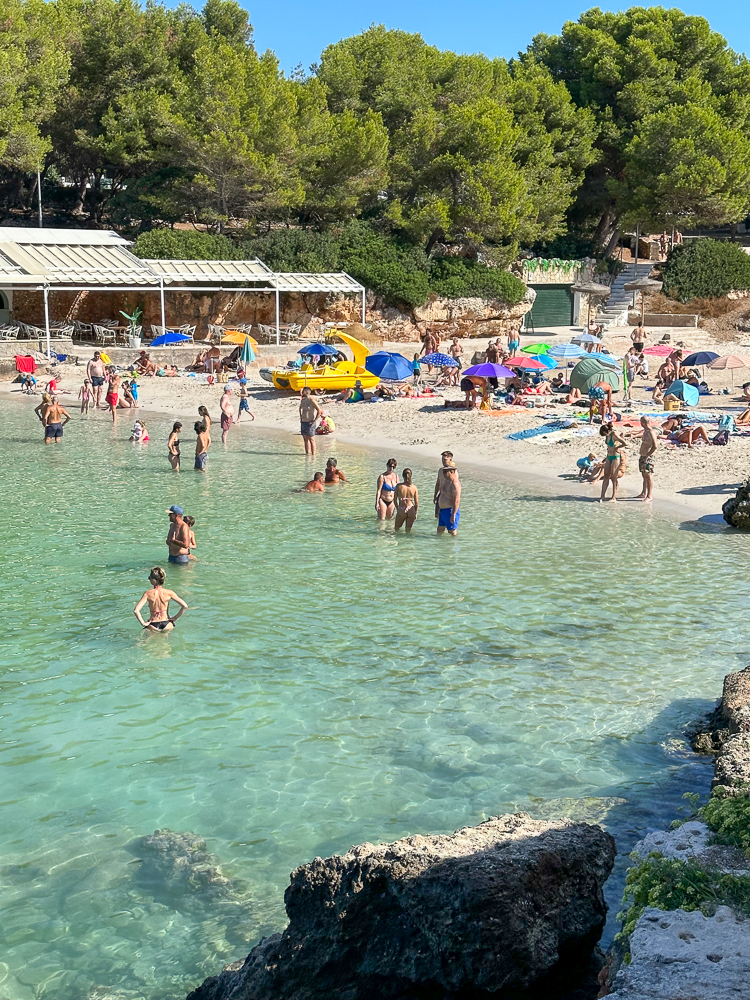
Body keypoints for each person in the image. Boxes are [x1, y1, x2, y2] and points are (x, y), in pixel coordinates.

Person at [133, 566, 188, 632]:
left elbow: (136, 611)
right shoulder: (169, 592)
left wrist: (144, 623)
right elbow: (185, 606)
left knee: (147, 641)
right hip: (167, 623)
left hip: (153, 624)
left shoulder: (148, 593)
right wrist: (175, 618)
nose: (149, 579)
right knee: (166, 642)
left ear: (153, 580)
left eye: (149, 578)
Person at [599, 422, 626, 501]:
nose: (604, 436)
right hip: (609, 456)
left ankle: (613, 497)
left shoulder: (614, 434)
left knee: (613, 478)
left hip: (615, 457)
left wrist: (617, 447)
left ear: (607, 431)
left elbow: (625, 443)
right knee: (606, 476)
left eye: (604, 434)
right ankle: (602, 496)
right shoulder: (607, 435)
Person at [634, 415, 657, 501]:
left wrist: (648, 455)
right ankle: (643, 493)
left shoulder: (651, 432)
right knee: (644, 475)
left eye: (641, 422)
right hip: (643, 456)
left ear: (643, 422)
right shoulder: (645, 431)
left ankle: (649, 495)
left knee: (648, 475)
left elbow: (655, 446)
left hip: (648, 457)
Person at [437, 466, 461, 535]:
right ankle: (440, 544)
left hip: (450, 510)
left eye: (445, 472)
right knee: (440, 530)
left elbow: (457, 499)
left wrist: (453, 514)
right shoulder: (447, 482)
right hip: (443, 510)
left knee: (452, 531)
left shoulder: (455, 483)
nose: (443, 474)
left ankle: (454, 544)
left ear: (451, 472)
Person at [299, 386, 323, 456]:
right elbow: (300, 408)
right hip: (303, 422)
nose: (301, 392)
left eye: (303, 391)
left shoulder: (312, 400)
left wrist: (315, 420)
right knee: (305, 439)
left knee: (311, 439)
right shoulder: (303, 400)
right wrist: (301, 417)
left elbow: (319, 410)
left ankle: (313, 455)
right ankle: (307, 455)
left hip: (310, 422)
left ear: (306, 392)